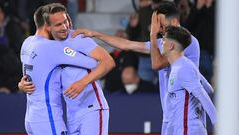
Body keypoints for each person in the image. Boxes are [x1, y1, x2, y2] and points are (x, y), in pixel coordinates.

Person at [72, 1, 214, 135]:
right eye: (156, 25)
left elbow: (156, 64)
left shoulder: (187, 42)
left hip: (186, 117)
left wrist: (152, 34)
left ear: (175, 22)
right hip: (170, 116)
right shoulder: (163, 43)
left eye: (161, 25)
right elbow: (127, 44)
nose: (159, 29)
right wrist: (95, 34)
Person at [19, 3, 115, 135]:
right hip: (71, 112)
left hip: (91, 108)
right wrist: (22, 84)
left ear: (69, 18)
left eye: (65, 21)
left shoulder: (78, 38)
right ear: (48, 27)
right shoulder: (49, 46)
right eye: (58, 24)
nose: (64, 27)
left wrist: (83, 82)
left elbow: (108, 62)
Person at [157, 25, 216, 135]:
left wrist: (217, 122)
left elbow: (202, 94)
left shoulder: (183, 68)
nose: (161, 43)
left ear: (170, 46)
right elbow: (209, 89)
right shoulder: (183, 65)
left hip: (187, 129)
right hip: (184, 128)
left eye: (163, 40)